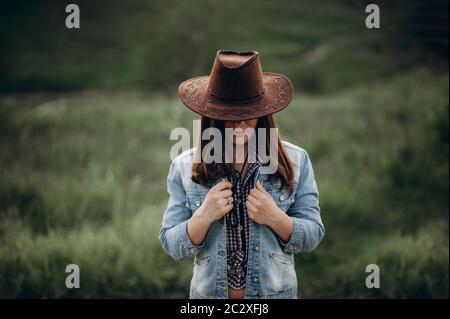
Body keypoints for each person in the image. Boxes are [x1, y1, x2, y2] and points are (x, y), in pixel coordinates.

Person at [159, 50, 324, 299]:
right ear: (212, 115)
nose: (238, 123)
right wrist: (203, 216)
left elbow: (313, 234)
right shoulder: (184, 166)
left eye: (247, 113)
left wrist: (276, 218)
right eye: (228, 115)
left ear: (263, 112)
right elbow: (171, 242)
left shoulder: (296, 160)